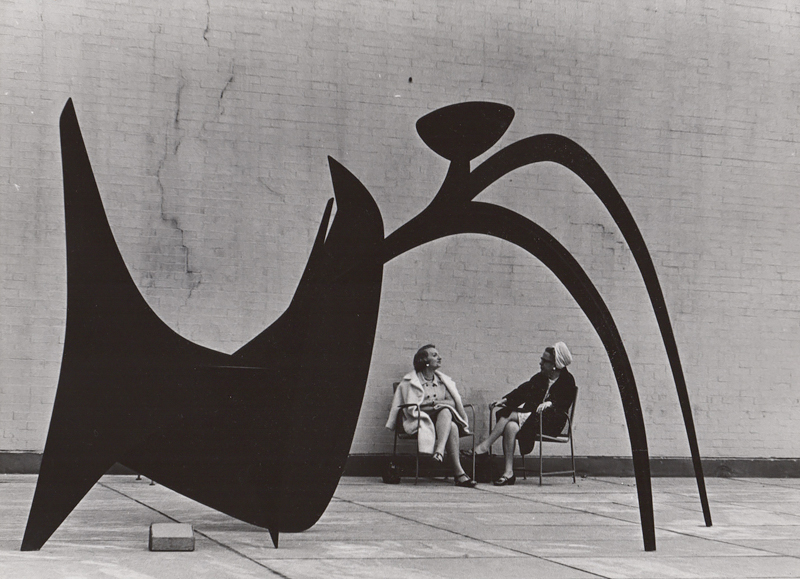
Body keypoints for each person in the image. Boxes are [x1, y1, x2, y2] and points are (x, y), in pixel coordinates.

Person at [474, 342, 577, 486]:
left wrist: (550, 404)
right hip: (533, 420)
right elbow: (522, 391)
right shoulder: (540, 377)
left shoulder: (567, 380)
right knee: (510, 426)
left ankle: (483, 447)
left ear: (555, 364)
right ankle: (508, 473)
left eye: (544, 361)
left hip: (551, 423)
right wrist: (504, 400)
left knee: (509, 414)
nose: (540, 363)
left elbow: (564, 402)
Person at [386, 344, 477, 488]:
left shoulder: (443, 381)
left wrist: (433, 403)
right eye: (434, 355)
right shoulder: (411, 382)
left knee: (447, 415)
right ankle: (458, 473)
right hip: (419, 419)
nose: (439, 358)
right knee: (447, 417)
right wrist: (437, 404)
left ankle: (442, 454)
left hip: (440, 421)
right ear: (424, 360)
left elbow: (452, 402)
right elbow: (413, 407)